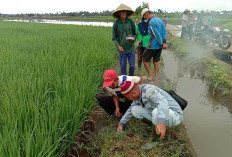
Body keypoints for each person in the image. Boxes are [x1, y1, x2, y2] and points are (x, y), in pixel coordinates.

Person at [117, 81, 183, 149]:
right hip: (161, 113)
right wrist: (121, 123)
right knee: (134, 110)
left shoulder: (149, 90)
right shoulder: (138, 95)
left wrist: (161, 122)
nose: (128, 99)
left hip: (175, 115)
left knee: (156, 112)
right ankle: (156, 128)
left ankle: (155, 140)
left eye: (128, 97)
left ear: (134, 92)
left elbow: (162, 102)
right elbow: (130, 110)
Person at [141, 8, 168, 83]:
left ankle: (150, 75)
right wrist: (164, 42)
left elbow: (156, 34)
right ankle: (156, 78)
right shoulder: (160, 20)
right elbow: (165, 32)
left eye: (144, 17)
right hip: (159, 46)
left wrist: (161, 44)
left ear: (146, 14)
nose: (145, 19)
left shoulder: (151, 22)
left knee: (144, 58)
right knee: (156, 61)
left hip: (153, 45)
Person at [112, 4, 137, 76]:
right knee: (123, 67)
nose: (124, 13)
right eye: (122, 12)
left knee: (132, 66)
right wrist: (118, 46)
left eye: (125, 11)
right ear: (119, 13)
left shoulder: (130, 21)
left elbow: (135, 34)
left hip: (131, 48)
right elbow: (114, 38)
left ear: (127, 12)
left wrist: (133, 39)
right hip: (122, 49)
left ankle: (131, 81)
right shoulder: (116, 24)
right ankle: (124, 82)